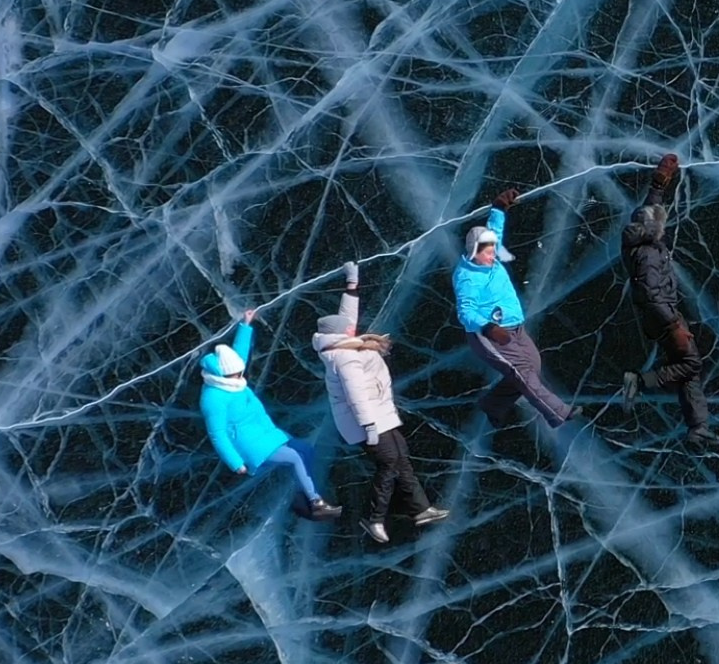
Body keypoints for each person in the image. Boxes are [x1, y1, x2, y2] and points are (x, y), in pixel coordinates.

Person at [315, 260, 450, 543]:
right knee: (389, 462)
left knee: (400, 456)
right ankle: (372, 518)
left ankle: (421, 509)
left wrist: (352, 284)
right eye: (347, 330)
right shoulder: (344, 356)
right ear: (339, 335)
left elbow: (346, 318)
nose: (352, 330)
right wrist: (369, 426)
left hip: (380, 413)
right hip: (367, 420)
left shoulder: (341, 344)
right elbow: (356, 395)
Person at [617, 155, 719, 450]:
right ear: (654, 228)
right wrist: (674, 324)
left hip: (663, 314)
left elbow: (650, 209)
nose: (665, 221)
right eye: (661, 220)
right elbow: (650, 293)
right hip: (663, 317)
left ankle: (698, 428)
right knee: (691, 362)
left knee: (687, 368)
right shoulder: (648, 252)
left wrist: (660, 181)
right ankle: (640, 380)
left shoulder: (641, 237)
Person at [452, 188, 582, 430]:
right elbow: (465, 312)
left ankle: (492, 404)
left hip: (514, 326)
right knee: (523, 371)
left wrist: (499, 208)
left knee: (533, 364)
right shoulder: (467, 277)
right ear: (474, 253)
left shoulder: (490, 257)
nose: (493, 255)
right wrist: (489, 327)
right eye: (487, 252)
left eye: (493, 250)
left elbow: (495, 232)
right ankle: (558, 412)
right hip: (489, 334)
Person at [199, 307, 341, 521]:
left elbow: (240, 354)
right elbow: (218, 434)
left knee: (305, 450)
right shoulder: (213, 398)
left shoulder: (229, 375)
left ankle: (304, 494)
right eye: (236, 374)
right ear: (222, 374)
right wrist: (235, 463)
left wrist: (245, 325)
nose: (240, 375)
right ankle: (316, 503)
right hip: (249, 444)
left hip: (265, 432)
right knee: (294, 457)